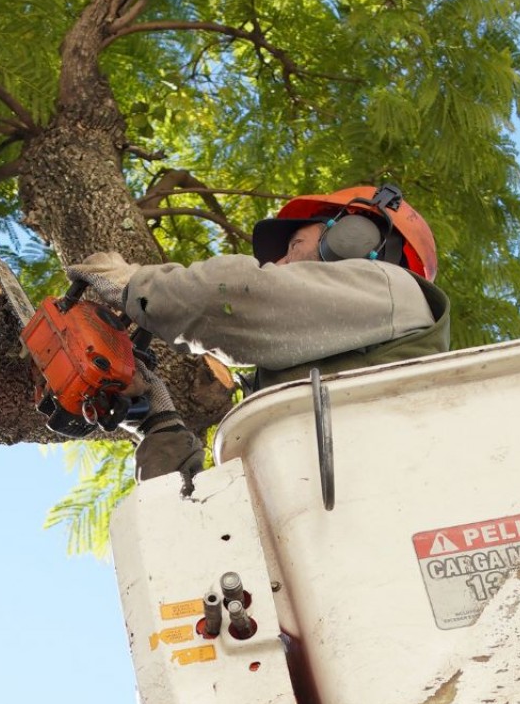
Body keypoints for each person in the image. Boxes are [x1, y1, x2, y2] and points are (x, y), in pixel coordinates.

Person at [67, 184, 451, 482]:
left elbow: (231, 297)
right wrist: (158, 422)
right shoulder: (302, 387)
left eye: (293, 245)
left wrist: (134, 284)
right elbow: (214, 528)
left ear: (354, 238)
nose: (279, 264)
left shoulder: (394, 291)